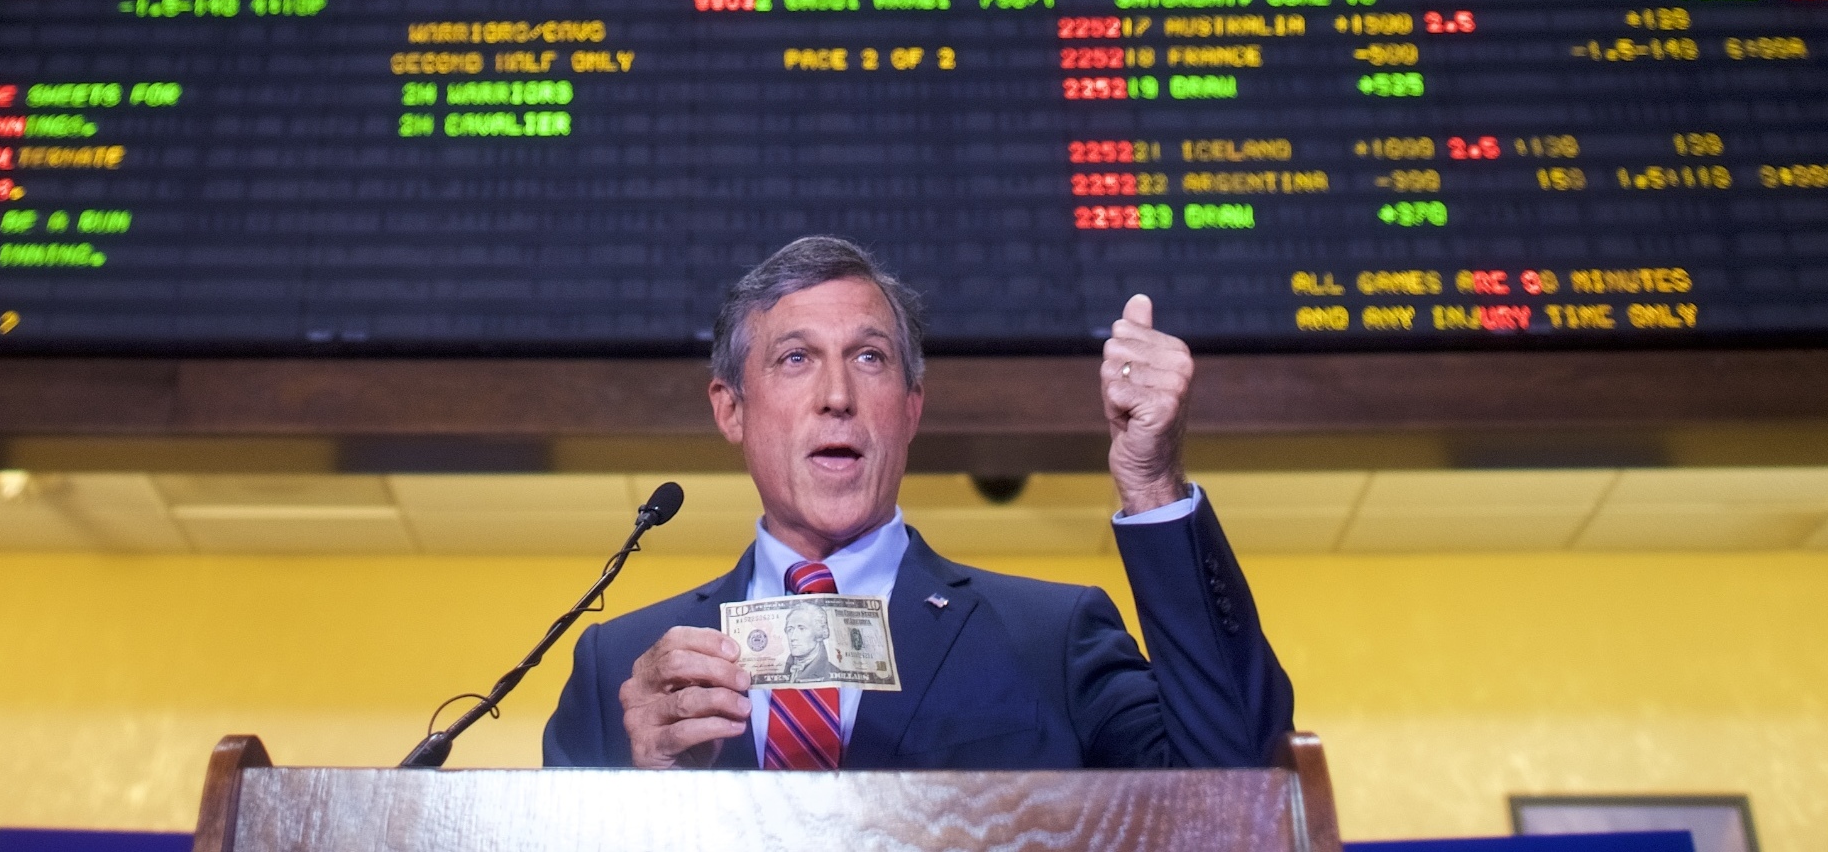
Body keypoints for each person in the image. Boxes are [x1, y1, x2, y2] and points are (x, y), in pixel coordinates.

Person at [541, 236, 1292, 769]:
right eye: (795, 359)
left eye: (869, 358)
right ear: (730, 409)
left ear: (909, 407)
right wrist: (647, 799)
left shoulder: (1051, 640)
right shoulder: (623, 668)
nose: (837, 396)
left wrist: (1152, 482)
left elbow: (1232, 785)